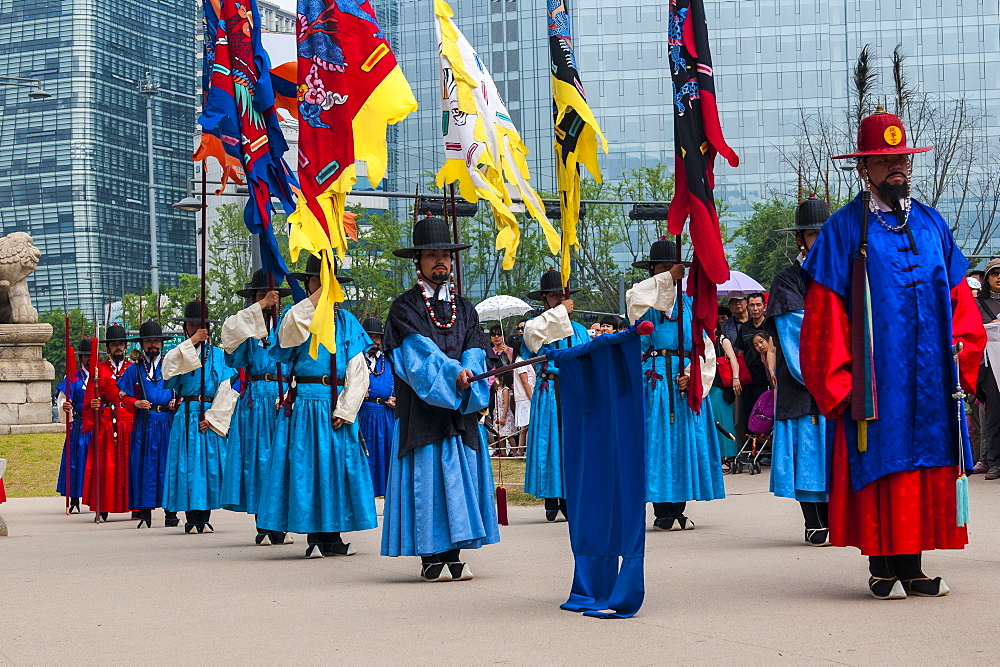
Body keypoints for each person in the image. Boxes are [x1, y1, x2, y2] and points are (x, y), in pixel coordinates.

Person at [801, 106, 985, 599]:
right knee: (883, 464)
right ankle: (885, 565)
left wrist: (963, 354)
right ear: (864, 168)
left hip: (929, 376)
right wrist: (838, 379)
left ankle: (913, 565)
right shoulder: (844, 230)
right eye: (885, 161)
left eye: (902, 158)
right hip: (876, 378)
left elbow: (959, 299)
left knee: (924, 468)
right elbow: (823, 313)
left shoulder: (931, 225)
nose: (896, 167)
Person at [381, 216, 499, 582]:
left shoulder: (466, 308)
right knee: (429, 480)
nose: (440, 262)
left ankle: (455, 551)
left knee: (458, 479)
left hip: (460, 412)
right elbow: (416, 356)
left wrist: (470, 370)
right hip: (423, 410)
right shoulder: (404, 308)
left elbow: (478, 348)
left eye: (445, 254)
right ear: (417, 261)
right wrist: (453, 376)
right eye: (431, 255)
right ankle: (431, 554)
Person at [256, 256, 376, 558]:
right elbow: (284, 343)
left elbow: (357, 369)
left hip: (334, 401)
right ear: (308, 283)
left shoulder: (346, 321)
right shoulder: (296, 315)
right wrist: (313, 302)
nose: (321, 286)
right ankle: (313, 533)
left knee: (335, 469)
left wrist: (347, 409)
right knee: (306, 468)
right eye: (316, 280)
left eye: (326, 281)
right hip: (305, 402)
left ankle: (333, 534)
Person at [627, 238, 725, 530]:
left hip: (684, 375)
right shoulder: (643, 301)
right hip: (655, 377)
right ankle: (662, 512)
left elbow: (705, 345)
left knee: (682, 442)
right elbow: (636, 346)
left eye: (671, 268)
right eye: (660, 269)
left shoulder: (691, 303)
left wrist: (693, 374)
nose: (667, 273)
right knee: (657, 444)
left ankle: (679, 509)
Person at [765, 195, 833, 545]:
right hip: (806, 378)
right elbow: (796, 333)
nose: (818, 240)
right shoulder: (788, 279)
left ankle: (839, 517)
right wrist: (827, 375)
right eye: (812, 234)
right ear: (799, 238)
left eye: (825, 233)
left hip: (845, 378)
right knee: (809, 449)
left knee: (839, 451)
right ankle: (813, 520)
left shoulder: (849, 273)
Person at [219, 270, 294, 545]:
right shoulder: (244, 329)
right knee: (257, 461)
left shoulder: (287, 324)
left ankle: (279, 523)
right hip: (256, 398)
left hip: (283, 394)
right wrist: (260, 307)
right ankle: (263, 523)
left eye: (271, 297)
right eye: (261, 296)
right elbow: (228, 341)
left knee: (281, 460)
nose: (268, 302)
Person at [161, 300, 239, 534]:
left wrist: (214, 418)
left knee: (208, 467)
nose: (196, 328)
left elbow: (227, 388)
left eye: (200, 325)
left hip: (209, 415)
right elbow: (168, 370)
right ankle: (190, 517)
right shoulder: (180, 353)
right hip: (187, 415)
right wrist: (192, 342)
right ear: (186, 328)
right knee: (186, 466)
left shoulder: (218, 355)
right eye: (192, 325)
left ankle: (204, 516)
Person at [522, 269, 591, 522]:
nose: (561, 301)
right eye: (554, 296)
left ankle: (573, 497)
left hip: (576, 390)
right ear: (545, 300)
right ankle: (552, 500)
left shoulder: (581, 330)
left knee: (573, 443)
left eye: (564, 296)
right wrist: (559, 314)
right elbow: (531, 346)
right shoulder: (537, 326)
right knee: (550, 443)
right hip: (550, 389)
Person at [118, 320, 178, 528]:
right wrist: (135, 402)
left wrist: (175, 401)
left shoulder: (171, 365)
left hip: (167, 422)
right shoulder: (134, 369)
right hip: (144, 423)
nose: (153, 345)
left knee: (168, 466)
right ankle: (145, 514)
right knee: (144, 466)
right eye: (148, 341)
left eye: (156, 341)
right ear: (142, 344)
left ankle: (172, 513)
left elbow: (180, 389)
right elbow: (123, 396)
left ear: (161, 343)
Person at [81, 324, 135, 521]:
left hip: (131, 421)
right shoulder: (99, 370)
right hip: (107, 422)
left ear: (126, 346)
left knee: (132, 464)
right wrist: (95, 404)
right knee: (106, 466)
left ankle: (136, 505)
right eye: (114, 344)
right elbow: (89, 400)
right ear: (109, 347)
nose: (118, 348)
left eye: (121, 344)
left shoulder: (134, 367)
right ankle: (102, 507)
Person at [56, 338, 95, 514]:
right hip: (78, 425)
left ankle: (96, 498)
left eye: (91, 355)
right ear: (81, 358)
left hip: (95, 424)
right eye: (86, 356)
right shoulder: (72, 376)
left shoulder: (99, 375)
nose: (89, 359)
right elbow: (63, 397)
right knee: (75, 462)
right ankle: (74, 500)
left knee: (96, 463)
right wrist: (65, 406)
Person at [358, 316, 396, 498]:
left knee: (386, 453)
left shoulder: (389, 362)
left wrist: (397, 400)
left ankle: (387, 491)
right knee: (365, 455)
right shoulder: (356, 359)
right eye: (369, 337)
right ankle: (364, 492)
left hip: (386, 414)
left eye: (377, 337)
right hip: (364, 413)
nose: (374, 341)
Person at [975, 259, 1000, 480]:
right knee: (993, 415)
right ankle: (994, 462)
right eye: (995, 273)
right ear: (987, 278)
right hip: (989, 366)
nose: (999, 277)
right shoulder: (977, 305)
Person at [510, 333, 535, 459]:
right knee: (527, 425)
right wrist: (532, 398)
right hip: (525, 398)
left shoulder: (523, 360)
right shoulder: (520, 362)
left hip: (525, 397)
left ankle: (521, 450)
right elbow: (525, 382)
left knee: (526, 426)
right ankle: (523, 450)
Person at [492, 372, 516, 457]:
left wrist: (503, 417)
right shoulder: (498, 389)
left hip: (504, 413)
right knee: (500, 435)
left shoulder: (505, 390)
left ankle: (515, 452)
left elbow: (506, 404)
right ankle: (502, 453)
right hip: (497, 412)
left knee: (508, 434)